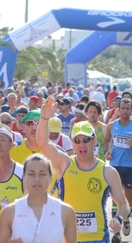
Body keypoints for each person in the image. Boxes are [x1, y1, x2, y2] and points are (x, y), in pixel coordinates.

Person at [37, 96, 129, 243]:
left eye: (86, 139)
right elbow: (42, 142)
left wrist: (118, 218)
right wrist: (44, 118)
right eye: (77, 141)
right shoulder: (64, 163)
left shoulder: (108, 172)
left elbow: (123, 204)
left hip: (98, 239)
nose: (82, 145)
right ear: (72, 143)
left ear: (94, 140)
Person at [0, 154, 77, 243]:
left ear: (50, 177)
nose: (37, 179)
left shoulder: (66, 211)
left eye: (42, 174)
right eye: (31, 174)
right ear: (24, 177)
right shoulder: (9, 212)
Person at [105, 97, 132, 238]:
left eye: (128, 108)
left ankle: (126, 219)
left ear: (131, 110)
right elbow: (107, 140)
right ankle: (116, 230)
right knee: (116, 196)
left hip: (130, 166)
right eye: (123, 108)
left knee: (129, 198)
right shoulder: (112, 125)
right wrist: (106, 152)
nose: (125, 111)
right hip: (115, 165)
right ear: (119, 109)